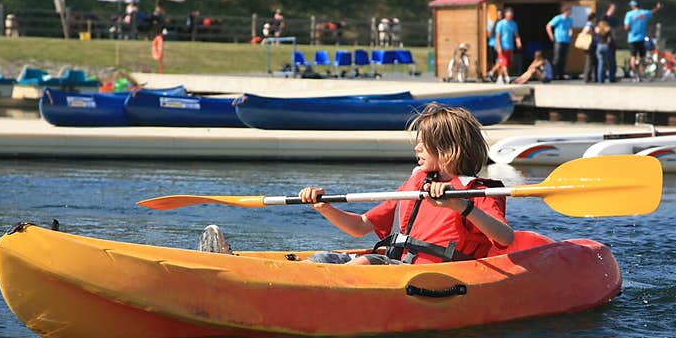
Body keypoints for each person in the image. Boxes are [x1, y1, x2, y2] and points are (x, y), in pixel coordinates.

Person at [199, 103, 514, 265]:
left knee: (364, 261)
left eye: (423, 144)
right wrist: (324, 207)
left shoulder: (477, 190)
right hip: (393, 262)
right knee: (324, 258)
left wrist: (462, 205)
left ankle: (254, 282)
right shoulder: (415, 184)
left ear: (447, 149)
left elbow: (504, 237)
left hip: (431, 275)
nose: (416, 149)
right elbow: (360, 227)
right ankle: (238, 267)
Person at [624, 0, 662, 77]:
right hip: (641, 38)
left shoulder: (629, 14)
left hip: (632, 38)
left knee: (633, 56)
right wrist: (657, 8)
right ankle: (642, 72)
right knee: (642, 56)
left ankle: (634, 73)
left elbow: (626, 27)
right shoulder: (644, 13)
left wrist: (630, 27)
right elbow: (652, 12)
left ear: (632, 6)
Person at [492, 7, 522, 83]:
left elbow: (516, 35)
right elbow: (497, 36)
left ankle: (498, 76)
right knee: (503, 62)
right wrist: (498, 46)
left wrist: (518, 42)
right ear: (505, 15)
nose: (510, 17)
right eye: (509, 15)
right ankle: (507, 77)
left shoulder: (514, 24)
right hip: (502, 46)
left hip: (510, 46)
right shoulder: (500, 23)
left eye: (511, 15)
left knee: (507, 63)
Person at [545, 5, 573, 80]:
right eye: (569, 11)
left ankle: (561, 74)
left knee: (563, 58)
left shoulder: (570, 19)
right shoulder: (558, 18)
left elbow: (570, 27)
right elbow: (548, 26)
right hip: (559, 40)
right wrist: (551, 36)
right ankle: (554, 75)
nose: (570, 12)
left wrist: (570, 32)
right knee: (557, 58)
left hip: (566, 40)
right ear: (565, 11)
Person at [602, 3, 620, 82]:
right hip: (604, 42)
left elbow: (619, 28)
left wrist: (615, 34)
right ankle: (602, 77)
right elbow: (602, 28)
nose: (614, 10)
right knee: (604, 60)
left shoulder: (614, 19)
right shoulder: (604, 18)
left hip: (613, 42)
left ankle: (611, 77)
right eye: (612, 8)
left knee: (612, 60)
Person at [595, 17, 615, 83]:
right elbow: (611, 38)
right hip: (606, 46)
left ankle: (600, 79)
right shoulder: (608, 29)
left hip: (599, 46)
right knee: (610, 63)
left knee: (600, 63)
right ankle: (611, 78)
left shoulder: (597, 29)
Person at [581, 12, 598, 82]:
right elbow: (586, 31)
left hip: (592, 45)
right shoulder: (589, 25)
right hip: (590, 45)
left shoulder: (591, 24)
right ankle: (587, 77)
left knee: (593, 61)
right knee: (590, 61)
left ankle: (593, 77)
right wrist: (593, 34)